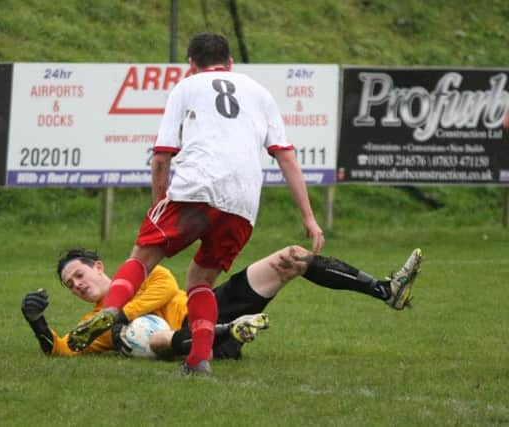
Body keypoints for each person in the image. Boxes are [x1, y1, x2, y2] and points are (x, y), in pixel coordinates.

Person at [66, 32, 325, 375]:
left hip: (196, 188)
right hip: (243, 203)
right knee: (200, 282)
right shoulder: (259, 92)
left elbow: (161, 158)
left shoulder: (186, 87)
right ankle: (199, 360)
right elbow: (286, 158)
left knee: (142, 258)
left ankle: (111, 310)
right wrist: (309, 217)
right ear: (230, 63)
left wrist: (159, 211)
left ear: (191, 65)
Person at [21, 246, 422, 367]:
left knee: (293, 257)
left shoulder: (142, 277)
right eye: (69, 284)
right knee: (139, 335)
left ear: (99, 268)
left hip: (212, 305)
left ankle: (386, 290)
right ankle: (227, 334)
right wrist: (38, 322)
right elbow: (63, 347)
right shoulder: (95, 323)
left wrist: (119, 312)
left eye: (78, 274)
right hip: (189, 339)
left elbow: (167, 282)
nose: (76, 285)